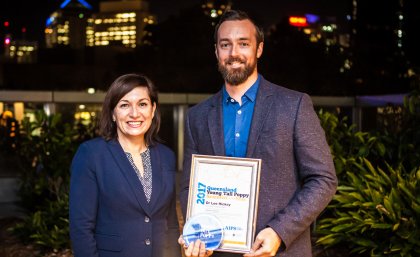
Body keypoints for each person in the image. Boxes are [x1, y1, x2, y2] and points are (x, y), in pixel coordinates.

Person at [179, 10, 338, 257]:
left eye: (243, 44)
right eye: (225, 45)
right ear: (216, 52)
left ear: (259, 49)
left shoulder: (293, 106)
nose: (234, 53)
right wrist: (197, 233)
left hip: (281, 251)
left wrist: (279, 231)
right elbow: (189, 186)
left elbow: (324, 180)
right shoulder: (197, 117)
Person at [69, 74, 181, 257]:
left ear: (153, 110)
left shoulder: (166, 156)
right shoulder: (91, 155)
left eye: (142, 104)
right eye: (124, 105)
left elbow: (171, 224)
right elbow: (81, 229)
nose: (135, 113)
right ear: (113, 113)